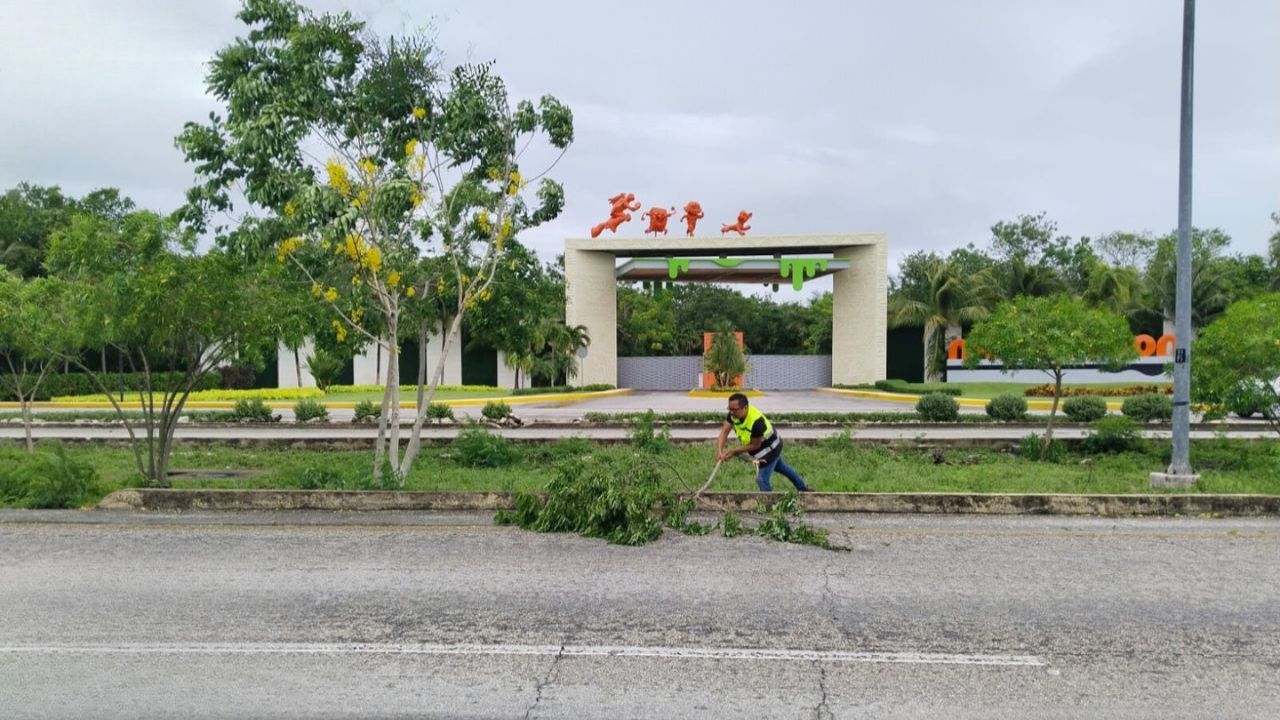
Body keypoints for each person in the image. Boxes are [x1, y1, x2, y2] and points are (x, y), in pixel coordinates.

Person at [716, 392, 811, 493]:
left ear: (745, 408)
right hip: (763, 448)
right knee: (782, 467)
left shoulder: (757, 422)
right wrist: (719, 451)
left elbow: (755, 445)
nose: (731, 412)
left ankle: (768, 505)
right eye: (729, 409)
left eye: (734, 410)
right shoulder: (733, 415)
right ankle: (803, 489)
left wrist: (734, 451)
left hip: (770, 450)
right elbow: (724, 432)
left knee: (762, 479)